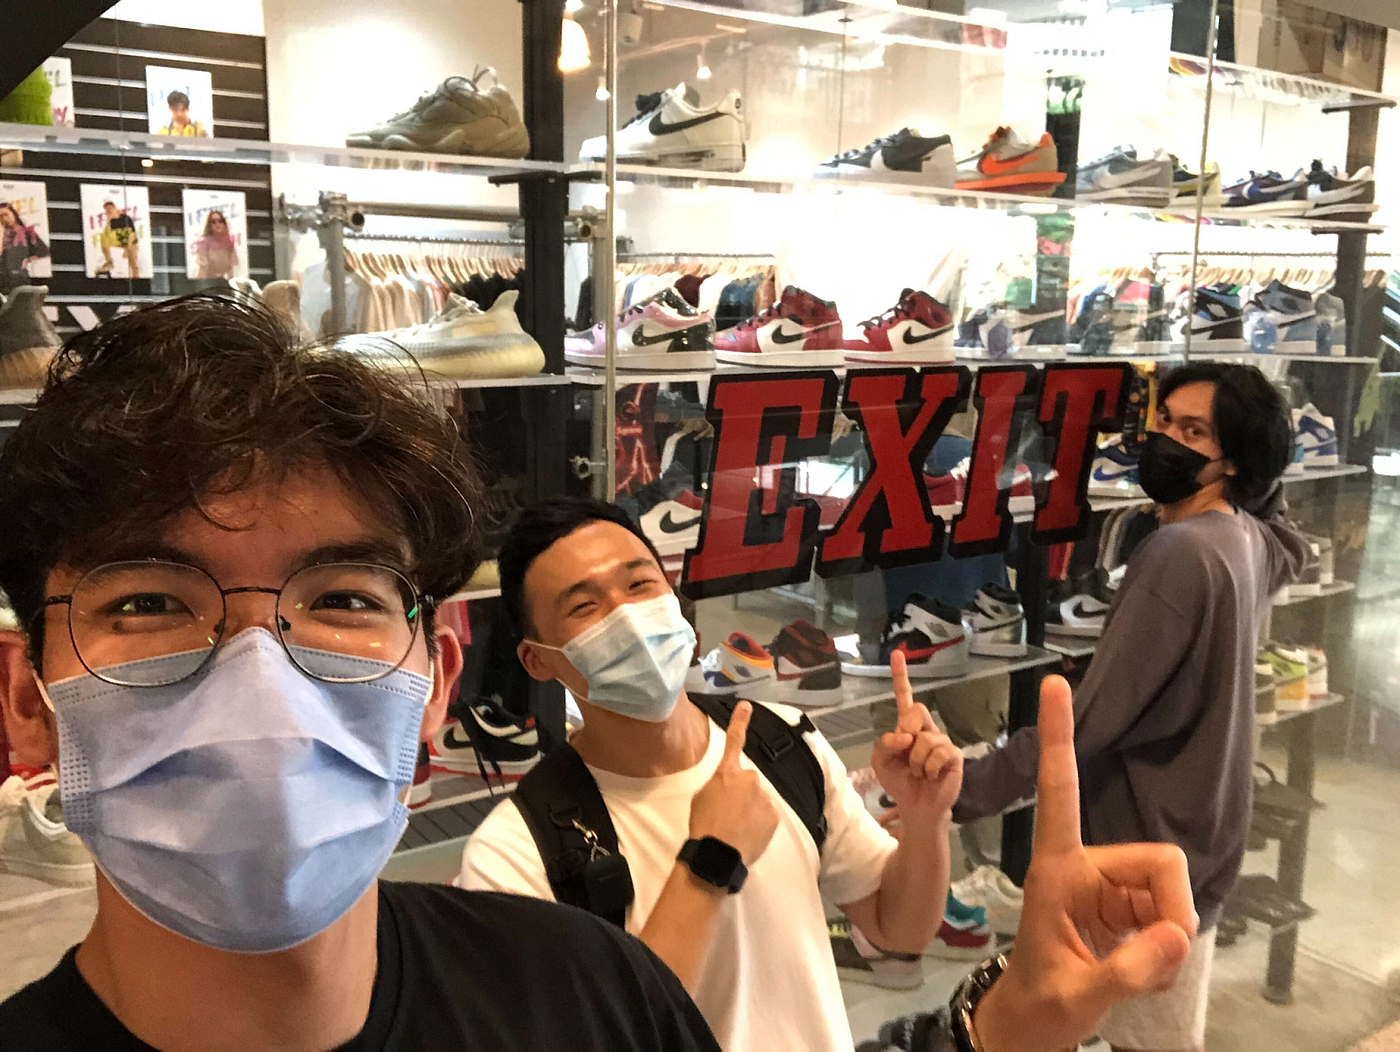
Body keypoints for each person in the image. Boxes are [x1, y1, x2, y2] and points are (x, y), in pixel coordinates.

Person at [0, 294, 721, 1051]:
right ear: (26, 700)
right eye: (148, 603)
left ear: (436, 682)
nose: (261, 690)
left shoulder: (598, 993)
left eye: (342, 600)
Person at [460, 496, 1196, 1052]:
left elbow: (899, 927)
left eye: (639, 584)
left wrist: (925, 819)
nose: (625, 615)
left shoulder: (783, 743)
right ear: (537, 660)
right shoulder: (515, 854)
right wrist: (709, 862)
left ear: (674, 596)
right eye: (585, 606)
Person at [956, 362, 1309, 1052]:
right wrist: (1254, 473)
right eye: (1164, 420)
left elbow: (1084, 727)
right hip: (1200, 840)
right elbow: (1288, 536)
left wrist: (964, 789)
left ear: (1233, 460)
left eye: (1194, 432)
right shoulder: (1245, 538)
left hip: (1141, 857)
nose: (1165, 440)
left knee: (1136, 1039)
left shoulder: (1179, 553)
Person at [0, 200, 50, 288]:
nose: (4, 219)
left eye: (6, 215)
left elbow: (44, 251)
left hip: (21, 279)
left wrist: (29, 260)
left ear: (14, 214)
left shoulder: (27, 233)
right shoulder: (3, 235)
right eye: (1, 217)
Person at [96, 200, 138, 279]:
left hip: (130, 241)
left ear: (115, 208)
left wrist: (127, 248)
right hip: (120, 239)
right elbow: (107, 235)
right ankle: (109, 261)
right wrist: (108, 222)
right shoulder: (112, 221)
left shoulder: (125, 218)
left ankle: (136, 276)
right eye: (107, 210)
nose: (109, 211)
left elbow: (131, 234)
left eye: (110, 209)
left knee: (132, 258)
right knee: (103, 238)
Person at [192, 209, 238, 280]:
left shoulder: (229, 244)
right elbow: (203, 269)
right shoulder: (204, 244)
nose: (217, 224)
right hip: (208, 280)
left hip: (223, 281)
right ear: (209, 225)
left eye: (220, 221)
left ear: (224, 223)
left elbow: (230, 270)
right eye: (213, 222)